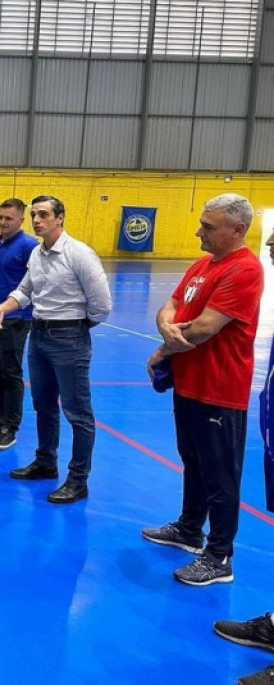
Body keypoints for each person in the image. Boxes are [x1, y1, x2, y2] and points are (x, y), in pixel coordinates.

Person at [142, 194, 263, 586]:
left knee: (220, 475)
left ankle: (219, 557)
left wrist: (164, 346)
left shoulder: (244, 269)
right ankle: (189, 529)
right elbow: (170, 306)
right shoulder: (201, 266)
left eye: (209, 227)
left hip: (219, 389)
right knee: (192, 461)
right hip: (189, 384)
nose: (199, 232)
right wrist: (165, 325)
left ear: (237, 230)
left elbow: (206, 327)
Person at [0, 195, 111, 504]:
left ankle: (78, 479)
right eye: (34, 215)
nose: (37, 220)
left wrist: (75, 328)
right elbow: (25, 291)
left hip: (69, 337)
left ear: (60, 218)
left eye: (43, 214)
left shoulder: (79, 254)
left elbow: (102, 305)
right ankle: (45, 461)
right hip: (38, 335)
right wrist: (3, 308)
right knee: (43, 405)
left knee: (78, 413)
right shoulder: (38, 254)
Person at [0, 199, 38, 451]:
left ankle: (10, 428)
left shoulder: (29, 246)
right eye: (0, 217)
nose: (3, 222)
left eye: (8, 218)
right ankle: (0, 417)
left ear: (21, 220)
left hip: (15, 319)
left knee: (11, 373)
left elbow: (35, 285)